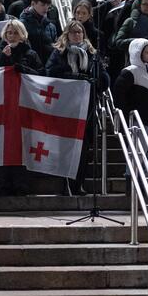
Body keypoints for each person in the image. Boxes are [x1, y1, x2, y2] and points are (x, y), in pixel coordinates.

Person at [45, 20, 109, 195]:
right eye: (73, 32)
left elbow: (104, 80)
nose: (77, 35)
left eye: (79, 32)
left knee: (84, 148)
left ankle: (78, 183)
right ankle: (64, 183)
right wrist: (74, 77)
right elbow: (50, 74)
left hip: (86, 107)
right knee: (64, 146)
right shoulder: (59, 53)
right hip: (65, 107)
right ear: (67, 34)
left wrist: (95, 80)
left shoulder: (92, 54)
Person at [0, 20, 43, 195]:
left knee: (22, 144)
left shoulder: (31, 54)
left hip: (24, 107)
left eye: (15, 33)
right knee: (4, 144)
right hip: (3, 108)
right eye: (9, 32)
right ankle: (5, 183)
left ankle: (21, 183)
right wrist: (2, 58)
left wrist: (21, 68)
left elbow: (41, 75)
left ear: (22, 35)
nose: (12, 36)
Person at [113, 38, 148, 146]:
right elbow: (119, 96)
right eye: (146, 52)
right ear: (138, 53)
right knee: (138, 155)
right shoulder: (130, 72)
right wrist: (124, 118)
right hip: (136, 122)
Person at [19, 0, 58, 64]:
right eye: (43, 5)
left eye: (48, 5)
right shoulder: (22, 25)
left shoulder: (51, 26)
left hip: (46, 66)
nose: (46, 8)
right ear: (33, 3)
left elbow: (54, 48)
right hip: (29, 66)